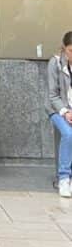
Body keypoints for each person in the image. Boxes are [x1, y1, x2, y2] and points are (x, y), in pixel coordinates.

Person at [46, 31, 72, 198]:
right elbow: (53, 95)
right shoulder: (54, 64)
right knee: (69, 134)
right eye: (71, 50)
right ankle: (64, 178)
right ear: (63, 49)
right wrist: (66, 112)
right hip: (57, 109)